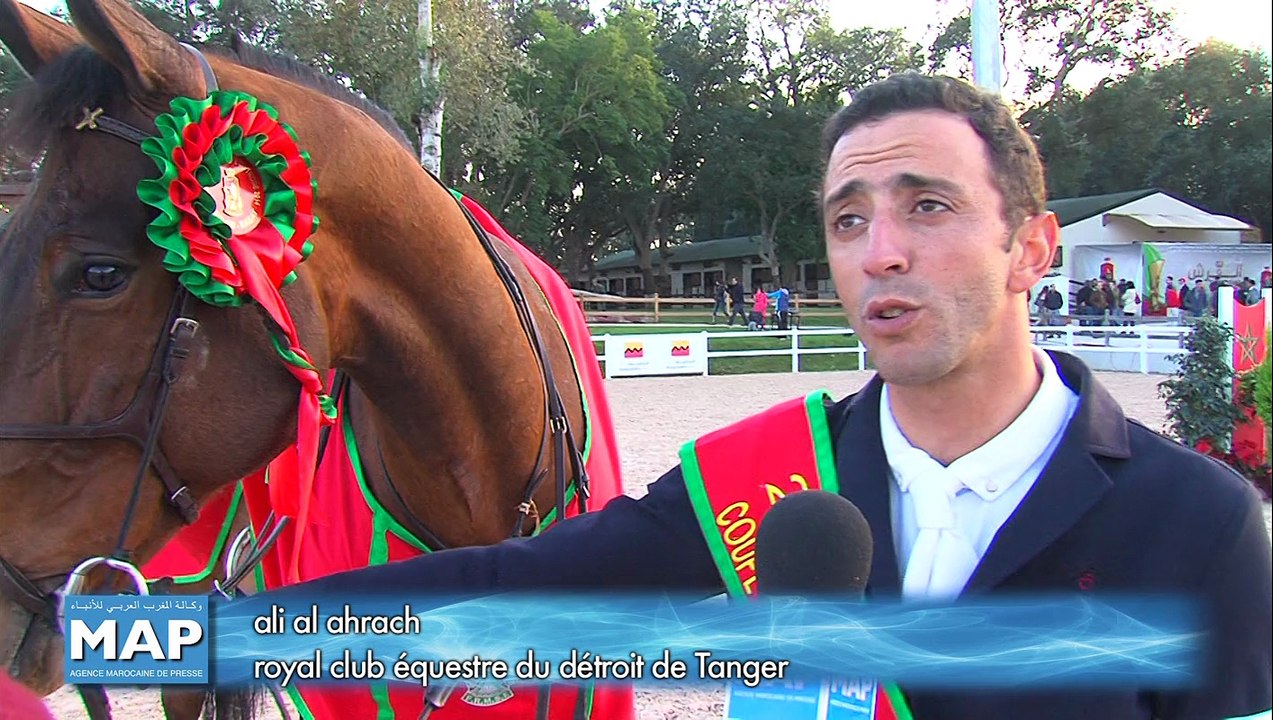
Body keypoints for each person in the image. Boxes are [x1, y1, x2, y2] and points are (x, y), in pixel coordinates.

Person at [263, 74, 1272, 719]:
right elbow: (525, 582)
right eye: (846, 220)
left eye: (926, 205)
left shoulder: (1196, 525)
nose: (879, 252)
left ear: (1032, 250)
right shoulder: (768, 484)